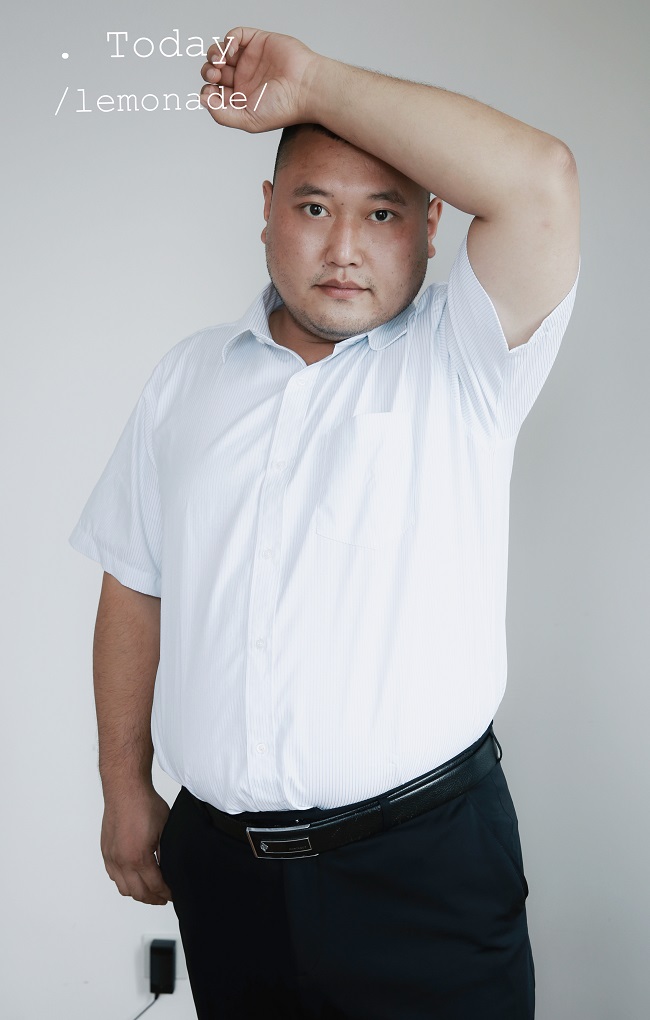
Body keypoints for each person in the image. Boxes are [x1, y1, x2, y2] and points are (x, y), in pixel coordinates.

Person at [69, 26, 580, 1020]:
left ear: (431, 225)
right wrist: (123, 786)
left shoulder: (466, 358)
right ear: (266, 212)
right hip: (224, 873)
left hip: (423, 872)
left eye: (382, 213)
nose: (344, 248)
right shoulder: (187, 378)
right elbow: (133, 582)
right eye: (313, 208)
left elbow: (540, 179)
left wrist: (310, 85)